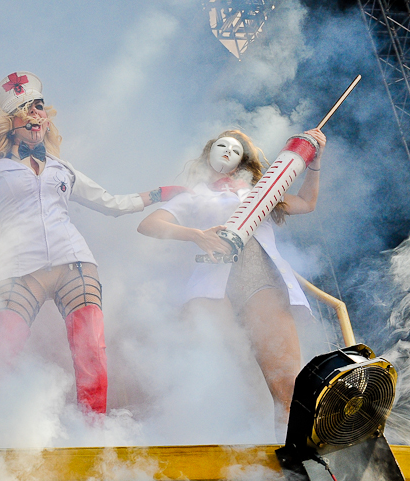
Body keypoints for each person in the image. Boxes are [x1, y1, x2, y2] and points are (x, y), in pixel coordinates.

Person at [0, 71, 186, 414]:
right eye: (25, 112)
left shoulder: (63, 169)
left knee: (91, 350)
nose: (35, 118)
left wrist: (158, 194)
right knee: (0, 352)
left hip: (73, 261)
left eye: (39, 109)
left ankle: (92, 432)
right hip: (19, 268)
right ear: (9, 124)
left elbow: (111, 203)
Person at [137, 128, 326, 432]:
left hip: (261, 282)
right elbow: (150, 224)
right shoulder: (194, 196)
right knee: (221, 384)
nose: (227, 151)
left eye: (235, 149)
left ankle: (293, 465)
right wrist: (196, 236)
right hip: (214, 291)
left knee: (288, 387)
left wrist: (314, 162)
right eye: (220, 146)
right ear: (208, 154)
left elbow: (306, 202)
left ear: (242, 162)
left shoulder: (261, 194)